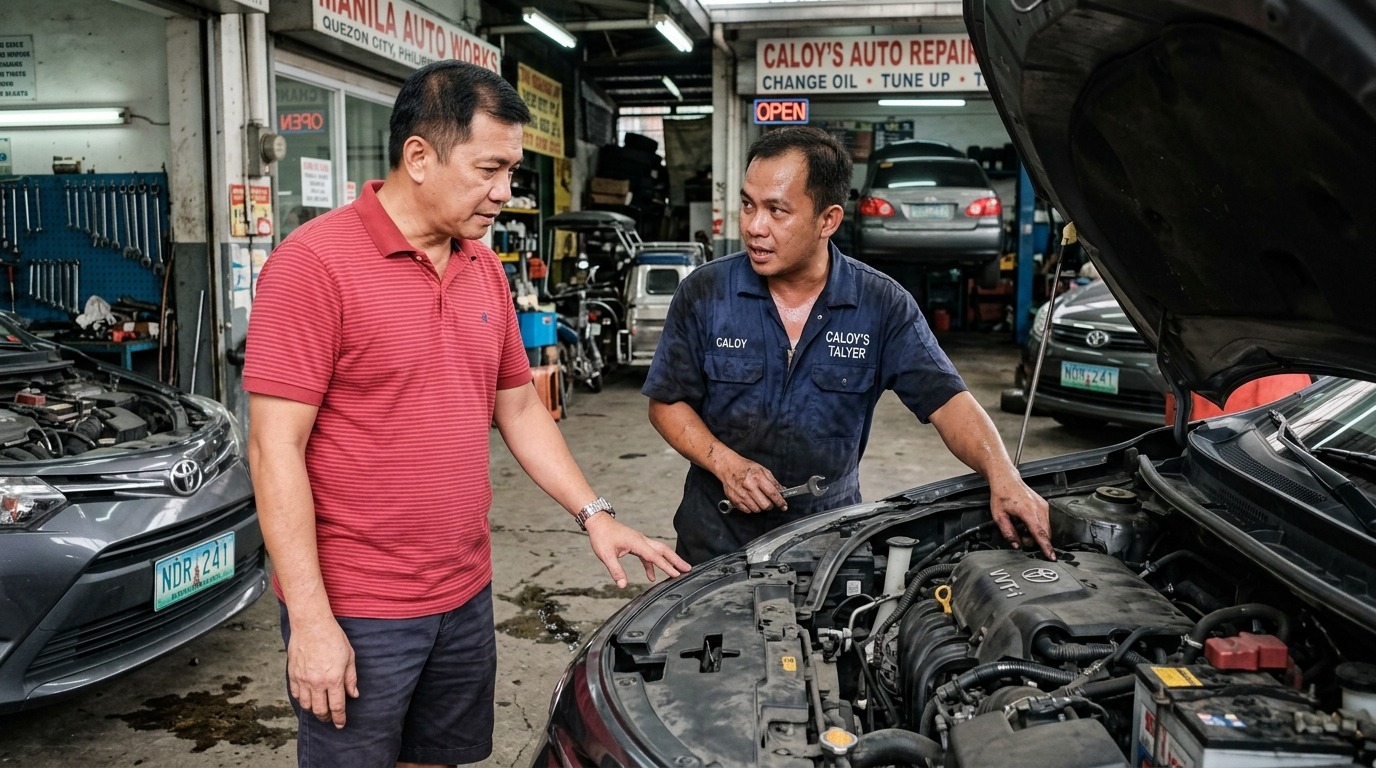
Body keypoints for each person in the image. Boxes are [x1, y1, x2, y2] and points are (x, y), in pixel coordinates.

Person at [243, 60, 689, 768]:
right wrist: (312, 619)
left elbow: (517, 404)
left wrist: (593, 512)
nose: (505, 194)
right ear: (419, 156)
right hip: (360, 605)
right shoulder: (312, 267)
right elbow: (274, 451)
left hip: (464, 589)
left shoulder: (481, 266)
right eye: (490, 169)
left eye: (511, 171)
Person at [642, 126, 1054, 565]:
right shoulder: (705, 292)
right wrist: (727, 465)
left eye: (777, 211)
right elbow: (666, 401)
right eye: (748, 205)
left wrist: (1003, 475)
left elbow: (949, 401)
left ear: (829, 220)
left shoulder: (881, 304)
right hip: (715, 542)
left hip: (828, 543)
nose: (754, 227)